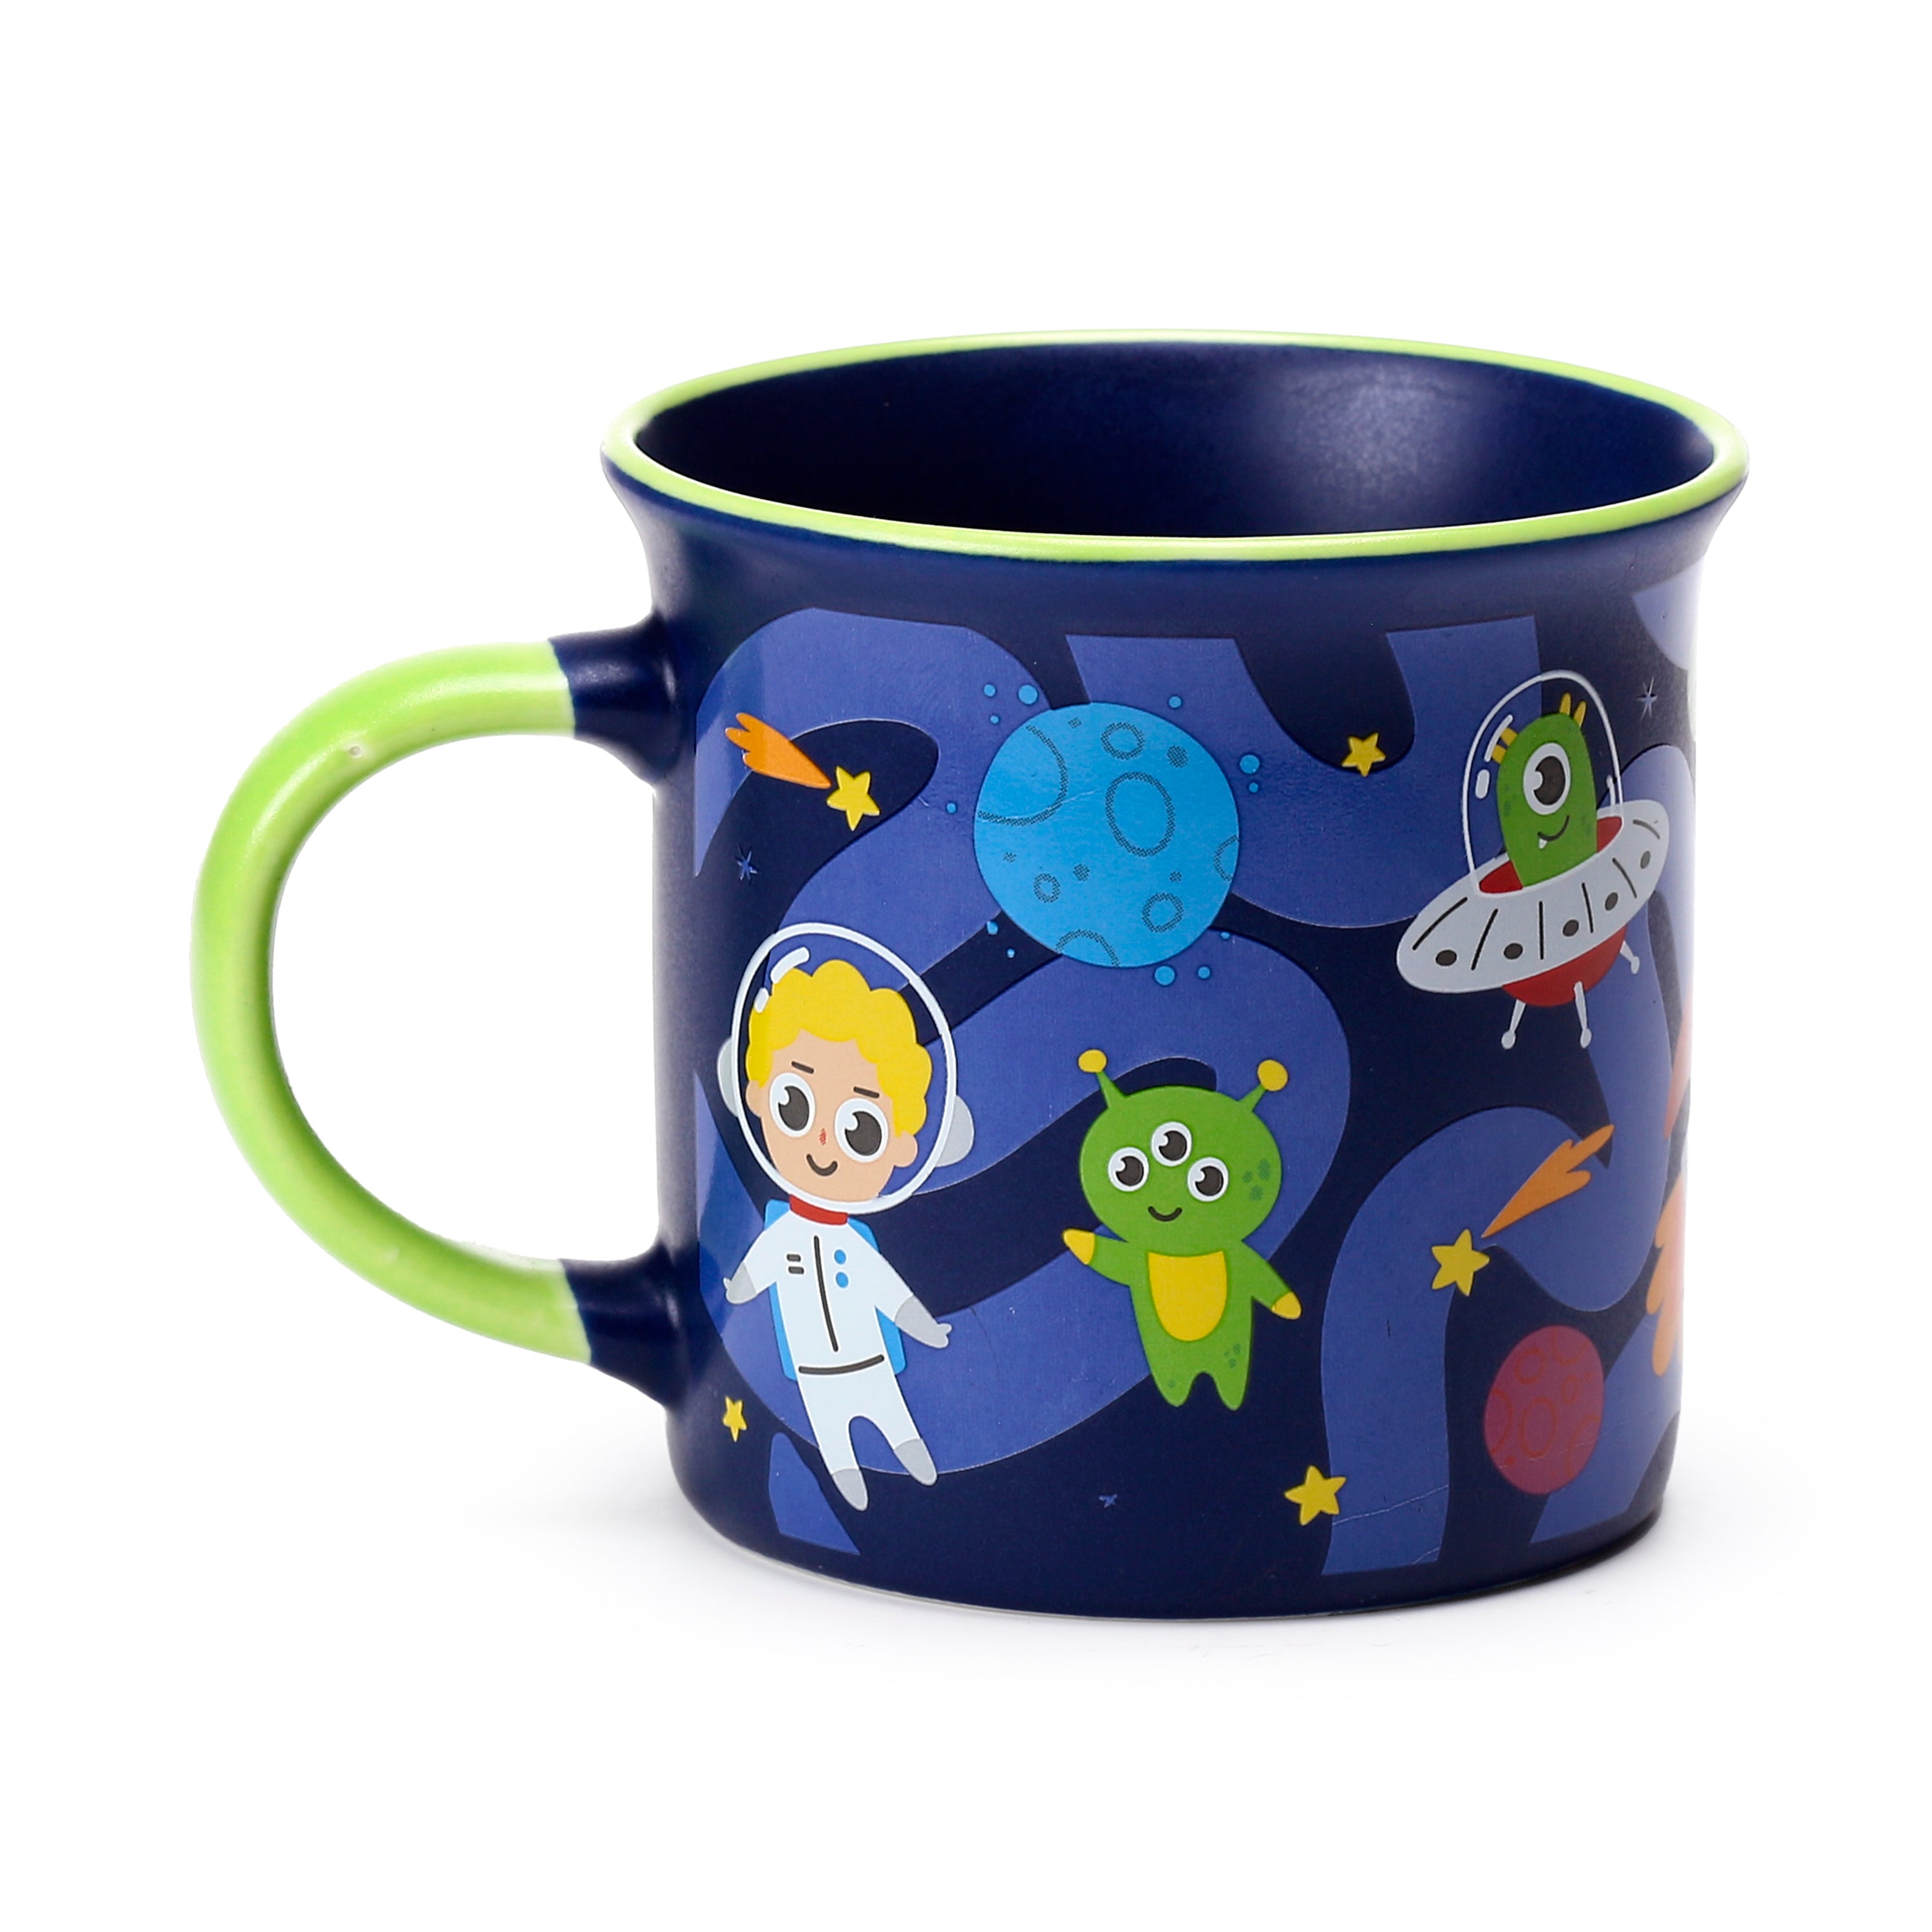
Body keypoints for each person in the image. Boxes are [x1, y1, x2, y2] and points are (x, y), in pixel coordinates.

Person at [724, 954, 951, 1510]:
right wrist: (732, 1291)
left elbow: (891, 1295)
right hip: (814, 1369)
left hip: (870, 1358)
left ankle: (912, 1456)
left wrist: (925, 1330)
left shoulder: (853, 1243)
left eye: (859, 1128)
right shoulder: (782, 1235)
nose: (823, 1142)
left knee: (895, 1418)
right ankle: (848, 1480)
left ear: (902, 1147)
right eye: (794, 1103)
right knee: (833, 1436)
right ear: (757, 1096)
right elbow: (753, 1272)